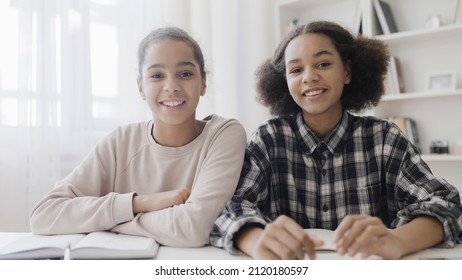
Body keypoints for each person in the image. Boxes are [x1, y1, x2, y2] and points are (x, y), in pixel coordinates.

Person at [210, 21, 462, 259]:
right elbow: (231, 209)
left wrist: (398, 240)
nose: (309, 77)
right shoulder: (269, 139)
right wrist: (256, 240)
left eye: (322, 64)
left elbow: (444, 203)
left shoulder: (384, 138)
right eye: (296, 70)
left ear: (348, 72)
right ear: (284, 82)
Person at [29, 26, 247, 247]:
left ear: (203, 83)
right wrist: (138, 203)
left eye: (185, 74)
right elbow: (44, 215)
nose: (171, 86)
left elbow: (193, 229)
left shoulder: (224, 134)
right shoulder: (120, 141)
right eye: (157, 75)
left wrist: (109, 222)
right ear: (141, 87)